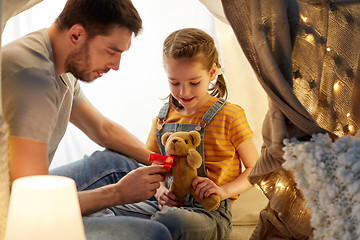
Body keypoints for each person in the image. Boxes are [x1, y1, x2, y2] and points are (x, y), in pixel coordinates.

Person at [1, 0, 172, 239]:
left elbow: (103, 130)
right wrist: (117, 194)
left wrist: (164, 161)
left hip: (28, 189)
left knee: (118, 163)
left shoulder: (60, 62)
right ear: (77, 34)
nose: (116, 65)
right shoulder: (32, 78)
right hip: (10, 210)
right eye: (111, 51)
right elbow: (33, 202)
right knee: (156, 234)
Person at [111, 28, 259, 239]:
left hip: (209, 213)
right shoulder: (162, 119)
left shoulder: (230, 115)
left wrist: (223, 191)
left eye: (194, 83)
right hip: (164, 207)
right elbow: (154, 164)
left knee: (171, 222)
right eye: (174, 82)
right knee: (106, 210)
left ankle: (150, 230)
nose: (183, 92)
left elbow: (256, 169)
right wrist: (160, 191)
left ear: (211, 73)